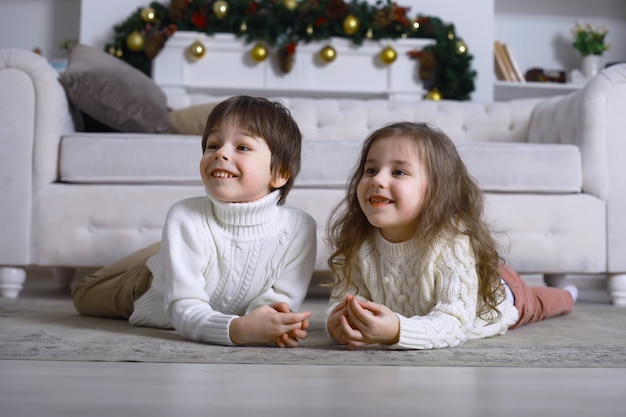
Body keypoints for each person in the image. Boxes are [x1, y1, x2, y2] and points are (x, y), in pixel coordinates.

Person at [73, 95, 317, 348]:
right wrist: (236, 330)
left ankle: (174, 249)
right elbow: (183, 306)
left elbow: (280, 301)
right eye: (213, 145)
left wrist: (269, 323)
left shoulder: (300, 228)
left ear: (280, 173)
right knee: (84, 295)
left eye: (242, 147)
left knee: (190, 242)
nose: (221, 153)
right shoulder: (185, 215)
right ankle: (169, 255)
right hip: (151, 285)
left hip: (199, 243)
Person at [325, 121, 577, 350]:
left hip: (501, 294)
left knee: (542, 303)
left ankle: (568, 294)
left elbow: (454, 324)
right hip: (471, 272)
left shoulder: (451, 241)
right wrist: (340, 322)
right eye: (370, 170)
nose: (377, 179)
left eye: (399, 172)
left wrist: (398, 331)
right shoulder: (359, 242)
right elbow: (344, 302)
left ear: (436, 191)